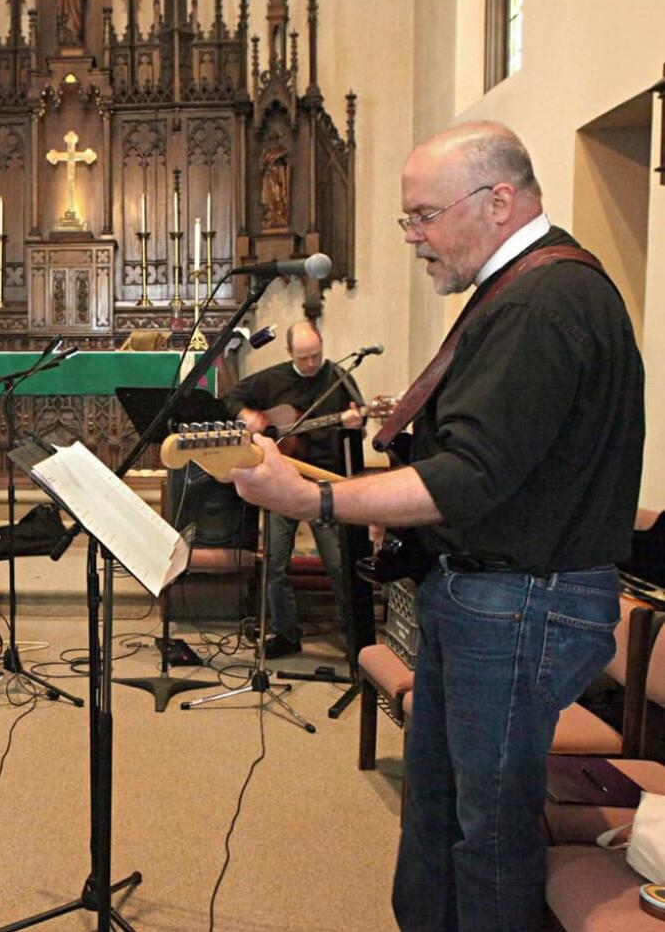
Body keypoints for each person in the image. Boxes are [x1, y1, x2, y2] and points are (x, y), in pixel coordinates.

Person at [228, 122, 644, 932]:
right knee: (439, 812)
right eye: (406, 219)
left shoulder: (547, 300)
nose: (413, 238)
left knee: (484, 835)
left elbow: (469, 478)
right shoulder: (514, 292)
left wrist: (317, 501)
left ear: (498, 202)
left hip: (522, 603)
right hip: (487, 595)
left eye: (423, 216)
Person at [222, 320, 364, 658]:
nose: (312, 364)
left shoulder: (339, 378)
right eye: (304, 358)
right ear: (289, 353)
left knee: (338, 563)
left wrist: (358, 421)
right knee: (275, 563)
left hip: (324, 481)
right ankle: (287, 633)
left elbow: (361, 419)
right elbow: (231, 398)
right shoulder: (271, 380)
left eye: (316, 355)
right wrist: (247, 415)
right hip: (281, 481)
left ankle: (354, 634)